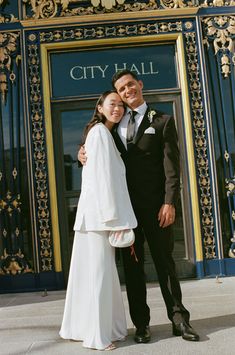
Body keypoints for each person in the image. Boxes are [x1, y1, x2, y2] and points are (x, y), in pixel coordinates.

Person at [78, 70, 200, 344]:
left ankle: (180, 320)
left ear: (140, 85)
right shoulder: (110, 125)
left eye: (130, 84)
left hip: (157, 209)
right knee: (133, 272)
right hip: (125, 213)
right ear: (117, 96)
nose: (127, 91)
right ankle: (141, 325)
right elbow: (95, 145)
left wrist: (169, 202)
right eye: (121, 89)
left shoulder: (163, 121)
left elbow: (172, 168)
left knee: (165, 264)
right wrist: (80, 151)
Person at [60, 90, 137, 351]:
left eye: (121, 106)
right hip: (100, 219)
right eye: (112, 104)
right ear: (100, 107)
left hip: (96, 218)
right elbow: (103, 181)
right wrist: (115, 220)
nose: (117, 108)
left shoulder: (100, 134)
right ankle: (97, 336)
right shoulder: (100, 134)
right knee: (99, 277)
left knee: (96, 276)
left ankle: (97, 328)